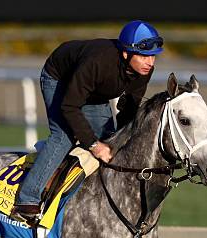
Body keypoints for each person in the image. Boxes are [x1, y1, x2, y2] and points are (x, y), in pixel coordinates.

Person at [12, 20, 164, 222]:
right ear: (126, 54)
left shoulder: (144, 70)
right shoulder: (98, 62)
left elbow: (129, 110)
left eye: (153, 56)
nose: (150, 62)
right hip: (59, 78)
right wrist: (93, 145)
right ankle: (27, 199)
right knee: (64, 135)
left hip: (94, 90)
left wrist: (120, 138)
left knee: (110, 140)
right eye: (144, 56)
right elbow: (69, 106)